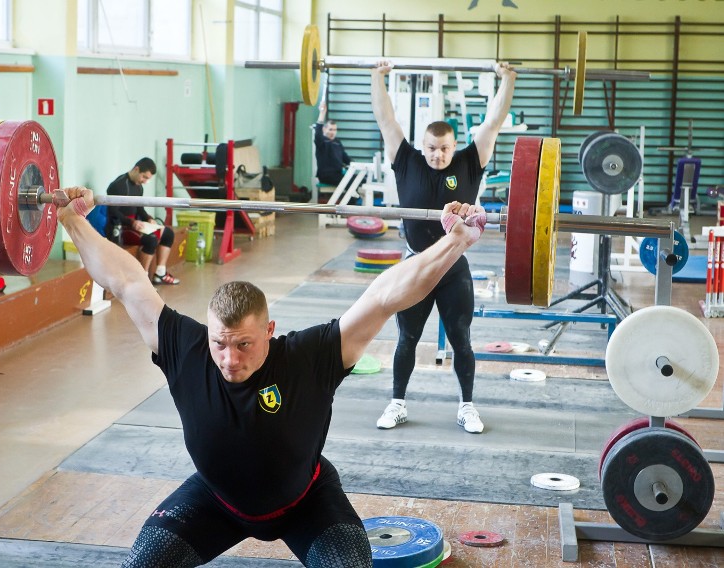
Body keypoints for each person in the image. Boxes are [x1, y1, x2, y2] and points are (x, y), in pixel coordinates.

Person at [56, 184, 486, 567]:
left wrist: (456, 242)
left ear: (269, 331)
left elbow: (383, 297)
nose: (229, 359)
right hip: (214, 500)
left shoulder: (309, 356)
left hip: (307, 503)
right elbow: (128, 280)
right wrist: (73, 220)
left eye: (244, 344)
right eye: (219, 343)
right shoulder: (185, 349)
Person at [370, 59, 516, 434]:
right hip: (417, 265)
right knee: (407, 339)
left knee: (461, 341)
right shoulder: (407, 162)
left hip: (452, 269)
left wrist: (507, 79)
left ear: (455, 146)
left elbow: (493, 123)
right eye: (432, 148)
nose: (438, 155)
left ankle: (467, 406)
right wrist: (378, 76)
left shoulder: (469, 163)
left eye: (444, 148)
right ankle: (397, 403)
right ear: (423, 146)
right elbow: (387, 121)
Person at [105, 157, 180, 285]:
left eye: (147, 179)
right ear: (136, 169)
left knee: (168, 233)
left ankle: (160, 273)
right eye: (144, 177)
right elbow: (112, 212)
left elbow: (140, 209)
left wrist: (149, 219)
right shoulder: (118, 185)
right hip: (122, 228)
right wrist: (132, 223)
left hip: (136, 225)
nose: (144, 181)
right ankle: (143, 281)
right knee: (150, 240)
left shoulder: (139, 187)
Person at [313, 101, 351, 187]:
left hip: (338, 174)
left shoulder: (337, 142)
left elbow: (346, 159)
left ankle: (353, 200)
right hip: (326, 176)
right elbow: (317, 133)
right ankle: (350, 201)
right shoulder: (321, 141)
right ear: (324, 129)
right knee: (351, 183)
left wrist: (356, 165)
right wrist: (322, 113)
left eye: (334, 130)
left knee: (361, 179)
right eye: (330, 129)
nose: (333, 132)